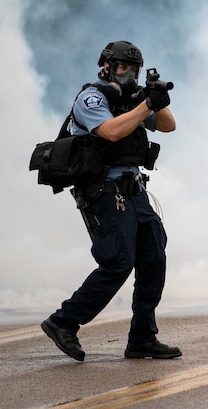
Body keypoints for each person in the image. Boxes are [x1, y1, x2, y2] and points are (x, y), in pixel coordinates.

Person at [41, 40, 182, 361]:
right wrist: (145, 105)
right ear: (106, 67)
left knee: (153, 258)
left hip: (134, 190)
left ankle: (143, 337)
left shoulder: (132, 100)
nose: (128, 74)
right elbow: (110, 132)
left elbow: (169, 126)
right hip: (102, 191)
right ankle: (63, 321)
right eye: (122, 68)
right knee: (118, 260)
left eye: (134, 69)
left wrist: (155, 98)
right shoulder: (92, 98)